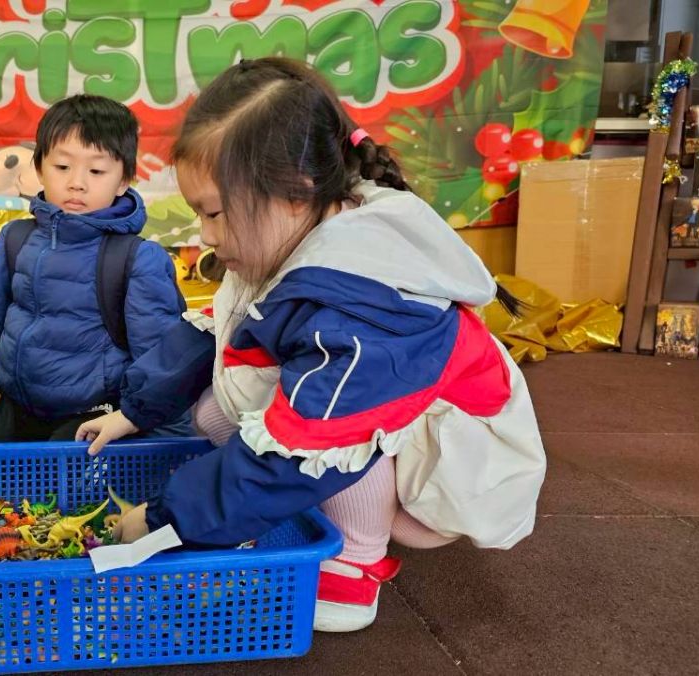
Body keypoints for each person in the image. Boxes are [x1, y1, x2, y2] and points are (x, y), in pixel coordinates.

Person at [76, 57, 546, 633]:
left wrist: (165, 518)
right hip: (374, 420)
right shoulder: (288, 232)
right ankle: (280, 508)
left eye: (214, 213)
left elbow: (316, 437)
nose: (205, 233)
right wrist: (134, 411)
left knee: (318, 435)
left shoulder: (363, 306)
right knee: (216, 409)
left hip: (454, 472)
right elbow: (221, 332)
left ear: (295, 193)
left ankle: (355, 562)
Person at [0, 94, 189, 443]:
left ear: (124, 180)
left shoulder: (138, 258)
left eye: (96, 171)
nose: (77, 182)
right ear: (39, 169)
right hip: (16, 408)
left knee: (64, 481)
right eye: (62, 167)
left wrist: (159, 435)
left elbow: (160, 359)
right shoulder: (14, 239)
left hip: (93, 419)